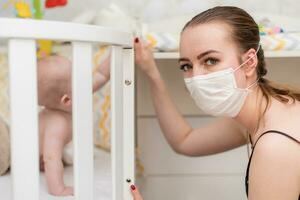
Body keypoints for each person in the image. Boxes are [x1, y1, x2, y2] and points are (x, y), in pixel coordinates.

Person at [130, 6, 300, 200]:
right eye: (186, 66)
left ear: (250, 62)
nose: (196, 77)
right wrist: (152, 74)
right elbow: (185, 141)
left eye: (210, 61)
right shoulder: (272, 108)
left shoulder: (275, 146)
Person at [38, 55, 110, 196]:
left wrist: (115, 54)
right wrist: (59, 189)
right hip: (26, 155)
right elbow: (51, 158)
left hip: (41, 154)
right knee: (49, 153)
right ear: (66, 100)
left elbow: (101, 75)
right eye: (78, 76)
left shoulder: (75, 92)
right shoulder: (56, 125)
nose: (86, 80)